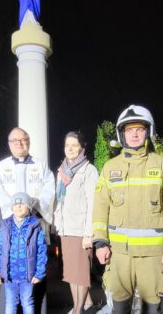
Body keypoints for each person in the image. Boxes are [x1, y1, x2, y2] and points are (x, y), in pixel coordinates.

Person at [92, 104, 163, 313]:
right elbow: (100, 207)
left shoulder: (162, 165)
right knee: (120, 306)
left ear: (148, 132)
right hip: (118, 256)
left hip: (153, 256)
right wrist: (100, 242)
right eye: (129, 130)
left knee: (153, 308)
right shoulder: (110, 167)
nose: (134, 134)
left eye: (139, 129)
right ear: (121, 134)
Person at [0, 127, 55, 313]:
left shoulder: (40, 165)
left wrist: (34, 207)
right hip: (12, 224)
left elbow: (49, 189)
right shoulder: (1, 167)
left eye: (23, 139)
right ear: (9, 144)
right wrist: (12, 210)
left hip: (34, 223)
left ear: (29, 141)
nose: (19, 143)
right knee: (10, 281)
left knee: (35, 271)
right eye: (15, 140)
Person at [53, 131, 99, 314]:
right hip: (66, 230)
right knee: (72, 273)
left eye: (74, 145)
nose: (70, 149)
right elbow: (59, 201)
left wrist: (89, 233)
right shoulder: (62, 170)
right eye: (67, 145)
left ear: (82, 148)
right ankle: (81, 305)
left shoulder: (89, 170)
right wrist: (58, 224)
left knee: (81, 275)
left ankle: (78, 310)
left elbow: (93, 203)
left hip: (81, 231)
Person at [0, 192, 48, 314]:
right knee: (10, 303)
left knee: (28, 302)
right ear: (11, 207)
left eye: (22, 203)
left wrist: (39, 273)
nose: (18, 206)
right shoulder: (5, 226)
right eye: (15, 204)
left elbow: (41, 251)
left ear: (29, 207)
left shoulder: (35, 226)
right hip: (9, 276)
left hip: (28, 276)